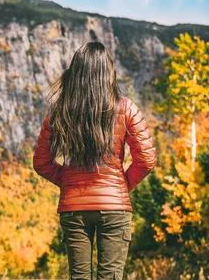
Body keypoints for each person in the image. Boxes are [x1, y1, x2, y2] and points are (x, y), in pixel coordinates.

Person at [32, 41, 157, 280]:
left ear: (75, 72)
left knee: (79, 277)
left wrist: (70, 183)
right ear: (108, 72)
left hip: (73, 208)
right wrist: (120, 187)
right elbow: (147, 159)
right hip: (115, 209)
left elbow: (42, 162)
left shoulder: (61, 110)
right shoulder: (126, 108)